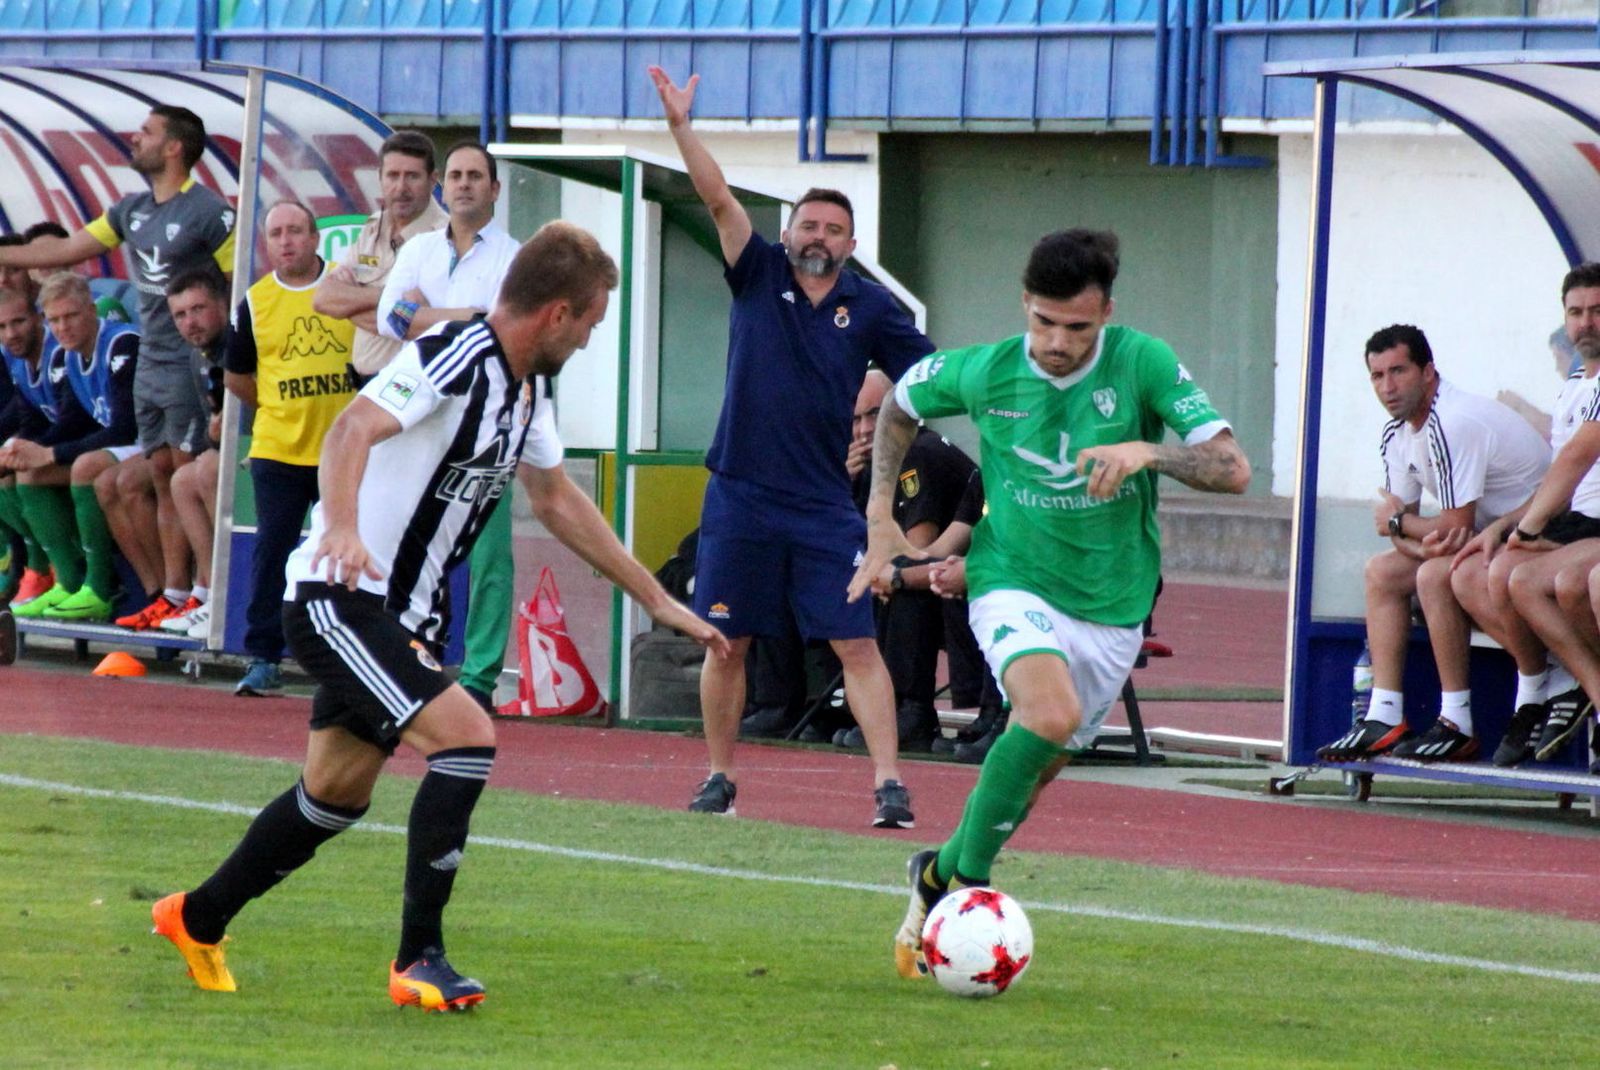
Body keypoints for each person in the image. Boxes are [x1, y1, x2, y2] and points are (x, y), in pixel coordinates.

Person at [151, 220, 730, 1010]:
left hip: (401, 618)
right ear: (557, 313)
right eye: (591, 322)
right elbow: (352, 428)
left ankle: (196, 916)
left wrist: (657, 599)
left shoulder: (526, 389)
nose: (590, 339)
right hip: (339, 599)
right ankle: (418, 958)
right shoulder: (455, 354)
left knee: (334, 795)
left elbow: (555, 498)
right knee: (467, 739)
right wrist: (343, 526)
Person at [848, 228, 1250, 979]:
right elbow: (898, 406)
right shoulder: (985, 370)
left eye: (1077, 327)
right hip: (1010, 577)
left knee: (1034, 771)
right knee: (1048, 714)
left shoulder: (1143, 362)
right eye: (1044, 321)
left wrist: (1149, 451)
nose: (1058, 343)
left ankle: (936, 873)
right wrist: (878, 516)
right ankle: (967, 892)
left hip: (1114, 601)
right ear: (1024, 303)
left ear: (1107, 315)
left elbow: (1233, 469)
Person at [649, 65, 931, 827]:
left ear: (851, 244)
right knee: (726, 641)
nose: (818, 237)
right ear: (788, 232)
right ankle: (719, 778)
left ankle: (889, 786)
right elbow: (717, 197)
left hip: (821, 504)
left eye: (833, 230)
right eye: (809, 225)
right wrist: (680, 126)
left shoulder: (872, 306)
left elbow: (929, 378)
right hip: (739, 495)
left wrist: (880, 399)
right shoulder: (756, 272)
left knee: (855, 644)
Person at [0, 104, 236, 633]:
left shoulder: (208, 212)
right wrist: (7, 256)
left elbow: (237, 285)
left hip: (187, 363)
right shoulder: (131, 210)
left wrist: (222, 360)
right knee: (161, 476)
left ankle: (206, 594)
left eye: (147, 133)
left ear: (174, 147)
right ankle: (174, 594)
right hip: (152, 362)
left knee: (185, 474)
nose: (135, 138)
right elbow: (65, 248)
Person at [1316, 324, 1550, 763]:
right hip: (1485, 541)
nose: (1388, 387)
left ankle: (1458, 722)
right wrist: (1418, 543)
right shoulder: (1397, 432)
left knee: (1434, 575)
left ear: (1428, 372)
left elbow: (1443, 524)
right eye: (1377, 376)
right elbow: (1403, 533)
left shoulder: (1453, 421)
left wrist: (1404, 526)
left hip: (1538, 535)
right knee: (1382, 572)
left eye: (1398, 371)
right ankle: (1384, 715)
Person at [377, 140, 521, 712]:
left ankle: (480, 680)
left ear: (494, 188)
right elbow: (390, 318)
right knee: (409, 542)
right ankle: (409, 659)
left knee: (487, 554)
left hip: (486, 422)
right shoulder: (418, 249)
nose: (463, 184)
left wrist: (426, 314)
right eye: (456, 175)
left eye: (474, 176)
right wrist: (465, 316)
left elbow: (501, 328)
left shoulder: (514, 258)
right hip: (416, 419)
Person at [1449, 264, 1600, 765]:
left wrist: (1530, 529)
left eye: (1597, 311)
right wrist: (1504, 524)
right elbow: (1558, 474)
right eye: (1576, 312)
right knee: (1468, 573)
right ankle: (1546, 686)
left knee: (1525, 579)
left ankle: (1579, 688)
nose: (1586, 322)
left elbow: (1580, 455)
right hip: (1577, 522)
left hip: (1595, 528)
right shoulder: (1575, 384)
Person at [224, 200, 358, 695]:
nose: (286, 241)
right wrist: (279, 407)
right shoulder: (255, 302)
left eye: (295, 231)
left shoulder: (346, 287)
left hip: (343, 451)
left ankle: (346, 658)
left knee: (344, 555)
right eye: (277, 233)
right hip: (278, 451)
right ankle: (263, 658)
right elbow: (236, 375)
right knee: (273, 552)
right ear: (266, 243)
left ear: (315, 237)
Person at [837, 369, 986, 751]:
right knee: (844, 576)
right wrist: (844, 484)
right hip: (953, 576)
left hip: (972, 584)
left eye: (875, 415)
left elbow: (919, 549)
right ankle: (837, 704)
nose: (865, 430)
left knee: (902, 580)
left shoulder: (919, 452)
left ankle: (911, 709)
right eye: (856, 419)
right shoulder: (869, 465)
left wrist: (890, 574)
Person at [1, 273, 140, 622]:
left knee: (82, 467)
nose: (63, 327)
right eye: (56, 319)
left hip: (145, 445)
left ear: (91, 310)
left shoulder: (121, 343)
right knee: (25, 474)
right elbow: (66, 421)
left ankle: (100, 586)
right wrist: (20, 453)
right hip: (112, 449)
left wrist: (48, 453)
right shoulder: (71, 355)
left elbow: (124, 428)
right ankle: (65, 579)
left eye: (71, 316)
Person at [312, 129, 448, 379]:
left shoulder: (445, 237)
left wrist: (351, 302)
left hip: (410, 385)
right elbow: (324, 298)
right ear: (380, 178)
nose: (401, 187)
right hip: (365, 383)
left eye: (412, 176)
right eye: (393, 176)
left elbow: (419, 324)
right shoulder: (373, 227)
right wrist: (392, 298)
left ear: (433, 180)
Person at [153, 269, 233, 638]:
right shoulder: (197, 355)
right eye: (180, 315)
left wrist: (221, 436)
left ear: (222, 304)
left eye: (198, 309)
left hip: (272, 450)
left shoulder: (238, 343)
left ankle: (228, 595)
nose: (190, 322)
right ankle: (210, 592)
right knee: (182, 479)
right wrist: (215, 435)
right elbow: (211, 421)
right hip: (231, 453)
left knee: (207, 469)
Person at [0, 285, 68, 609]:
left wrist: (33, 451)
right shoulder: (18, 361)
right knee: (7, 468)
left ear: (39, 319)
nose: (11, 333)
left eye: (19, 322)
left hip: (101, 447)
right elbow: (29, 417)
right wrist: (13, 449)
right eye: (2, 327)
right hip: (69, 445)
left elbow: (74, 420)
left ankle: (70, 577)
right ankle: (38, 568)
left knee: (26, 473)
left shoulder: (60, 352)